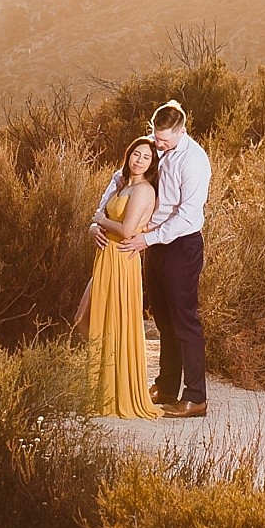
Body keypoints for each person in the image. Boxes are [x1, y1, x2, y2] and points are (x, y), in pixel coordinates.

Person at [90, 99, 210, 417]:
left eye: (165, 140)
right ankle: (167, 387)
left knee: (185, 321)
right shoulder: (155, 148)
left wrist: (149, 238)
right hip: (151, 245)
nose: (158, 144)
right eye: (156, 137)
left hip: (180, 246)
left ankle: (195, 396)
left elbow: (188, 215)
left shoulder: (193, 161)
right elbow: (121, 178)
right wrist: (97, 218)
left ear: (181, 132)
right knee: (162, 320)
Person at [79, 136, 162, 419]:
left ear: (152, 164)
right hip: (106, 257)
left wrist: (100, 220)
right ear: (128, 156)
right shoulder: (122, 183)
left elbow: (127, 230)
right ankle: (101, 387)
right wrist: (95, 225)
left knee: (113, 321)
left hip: (121, 258)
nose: (139, 160)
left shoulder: (143, 190)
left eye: (146, 157)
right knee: (89, 318)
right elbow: (102, 214)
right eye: (136, 154)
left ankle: (117, 391)